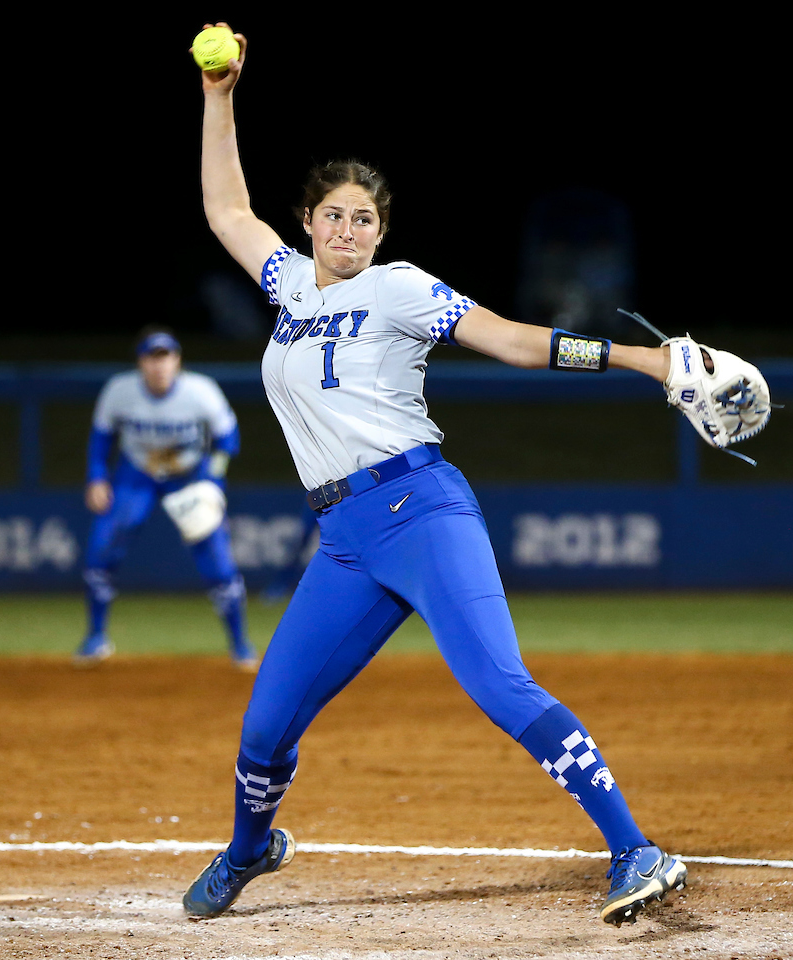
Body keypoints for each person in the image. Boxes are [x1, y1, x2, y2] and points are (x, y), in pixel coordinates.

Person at [182, 24, 689, 927]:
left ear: (382, 233)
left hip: (421, 510)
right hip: (342, 541)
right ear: (308, 223)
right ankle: (250, 848)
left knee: (499, 684)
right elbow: (226, 211)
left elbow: (518, 344)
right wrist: (220, 98)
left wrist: (644, 363)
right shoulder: (292, 291)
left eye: (364, 218)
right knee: (264, 732)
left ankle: (635, 849)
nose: (347, 228)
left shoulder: (403, 288)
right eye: (333, 214)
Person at [75, 326, 259, 672]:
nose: (159, 366)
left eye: (165, 357)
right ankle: (96, 638)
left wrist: (213, 479)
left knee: (217, 561)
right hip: (137, 475)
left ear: (177, 361)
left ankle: (240, 645)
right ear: (140, 363)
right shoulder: (120, 391)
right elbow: (100, 439)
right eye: (151, 358)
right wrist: (97, 477)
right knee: (101, 549)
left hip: (189, 477)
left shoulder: (200, 392)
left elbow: (228, 439)